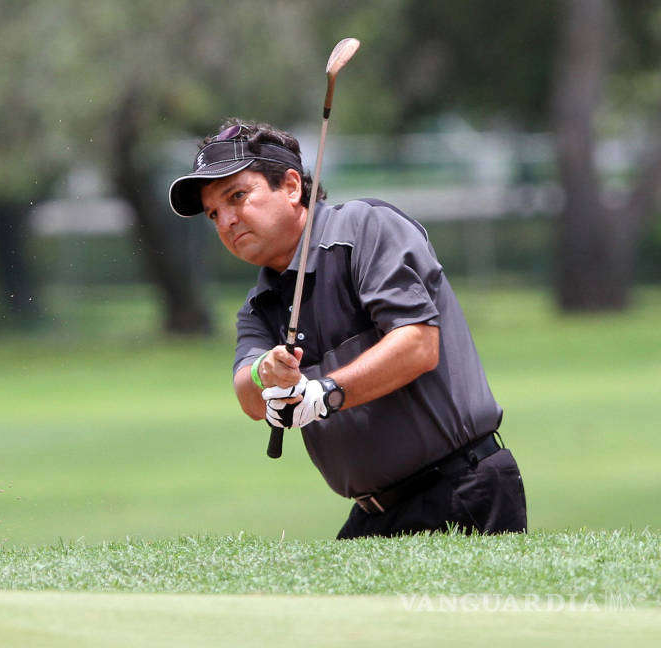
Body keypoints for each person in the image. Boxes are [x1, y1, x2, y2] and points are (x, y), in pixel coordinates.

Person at [168, 119, 527, 539]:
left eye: (237, 196)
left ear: (290, 186)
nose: (226, 221)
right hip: (377, 513)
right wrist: (265, 371)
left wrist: (325, 393)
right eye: (214, 213)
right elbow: (248, 396)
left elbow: (418, 344)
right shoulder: (258, 305)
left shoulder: (364, 230)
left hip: (461, 489)